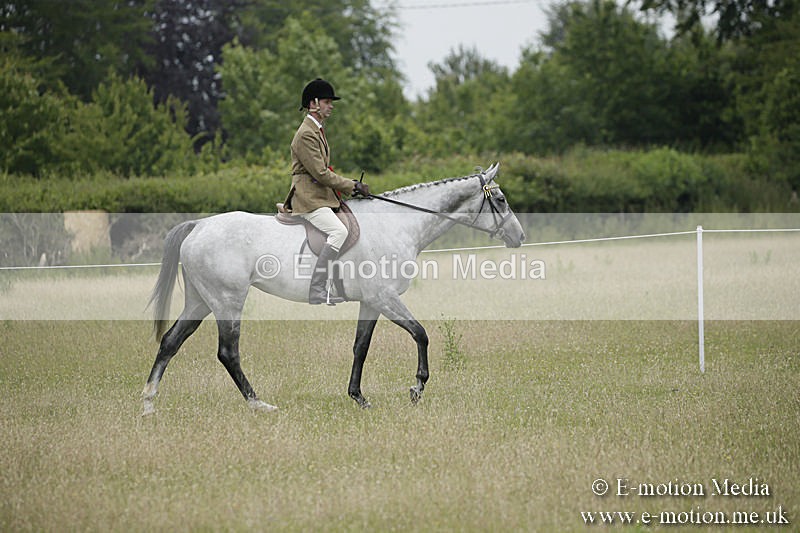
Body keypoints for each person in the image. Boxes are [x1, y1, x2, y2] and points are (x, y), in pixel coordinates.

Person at [284, 78, 370, 305]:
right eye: (327, 101)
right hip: (309, 198)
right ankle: (317, 288)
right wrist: (352, 185)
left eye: (331, 102)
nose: (331, 105)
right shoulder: (306, 134)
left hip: (321, 195)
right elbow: (321, 173)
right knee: (339, 232)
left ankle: (340, 283)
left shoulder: (317, 129)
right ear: (313, 104)